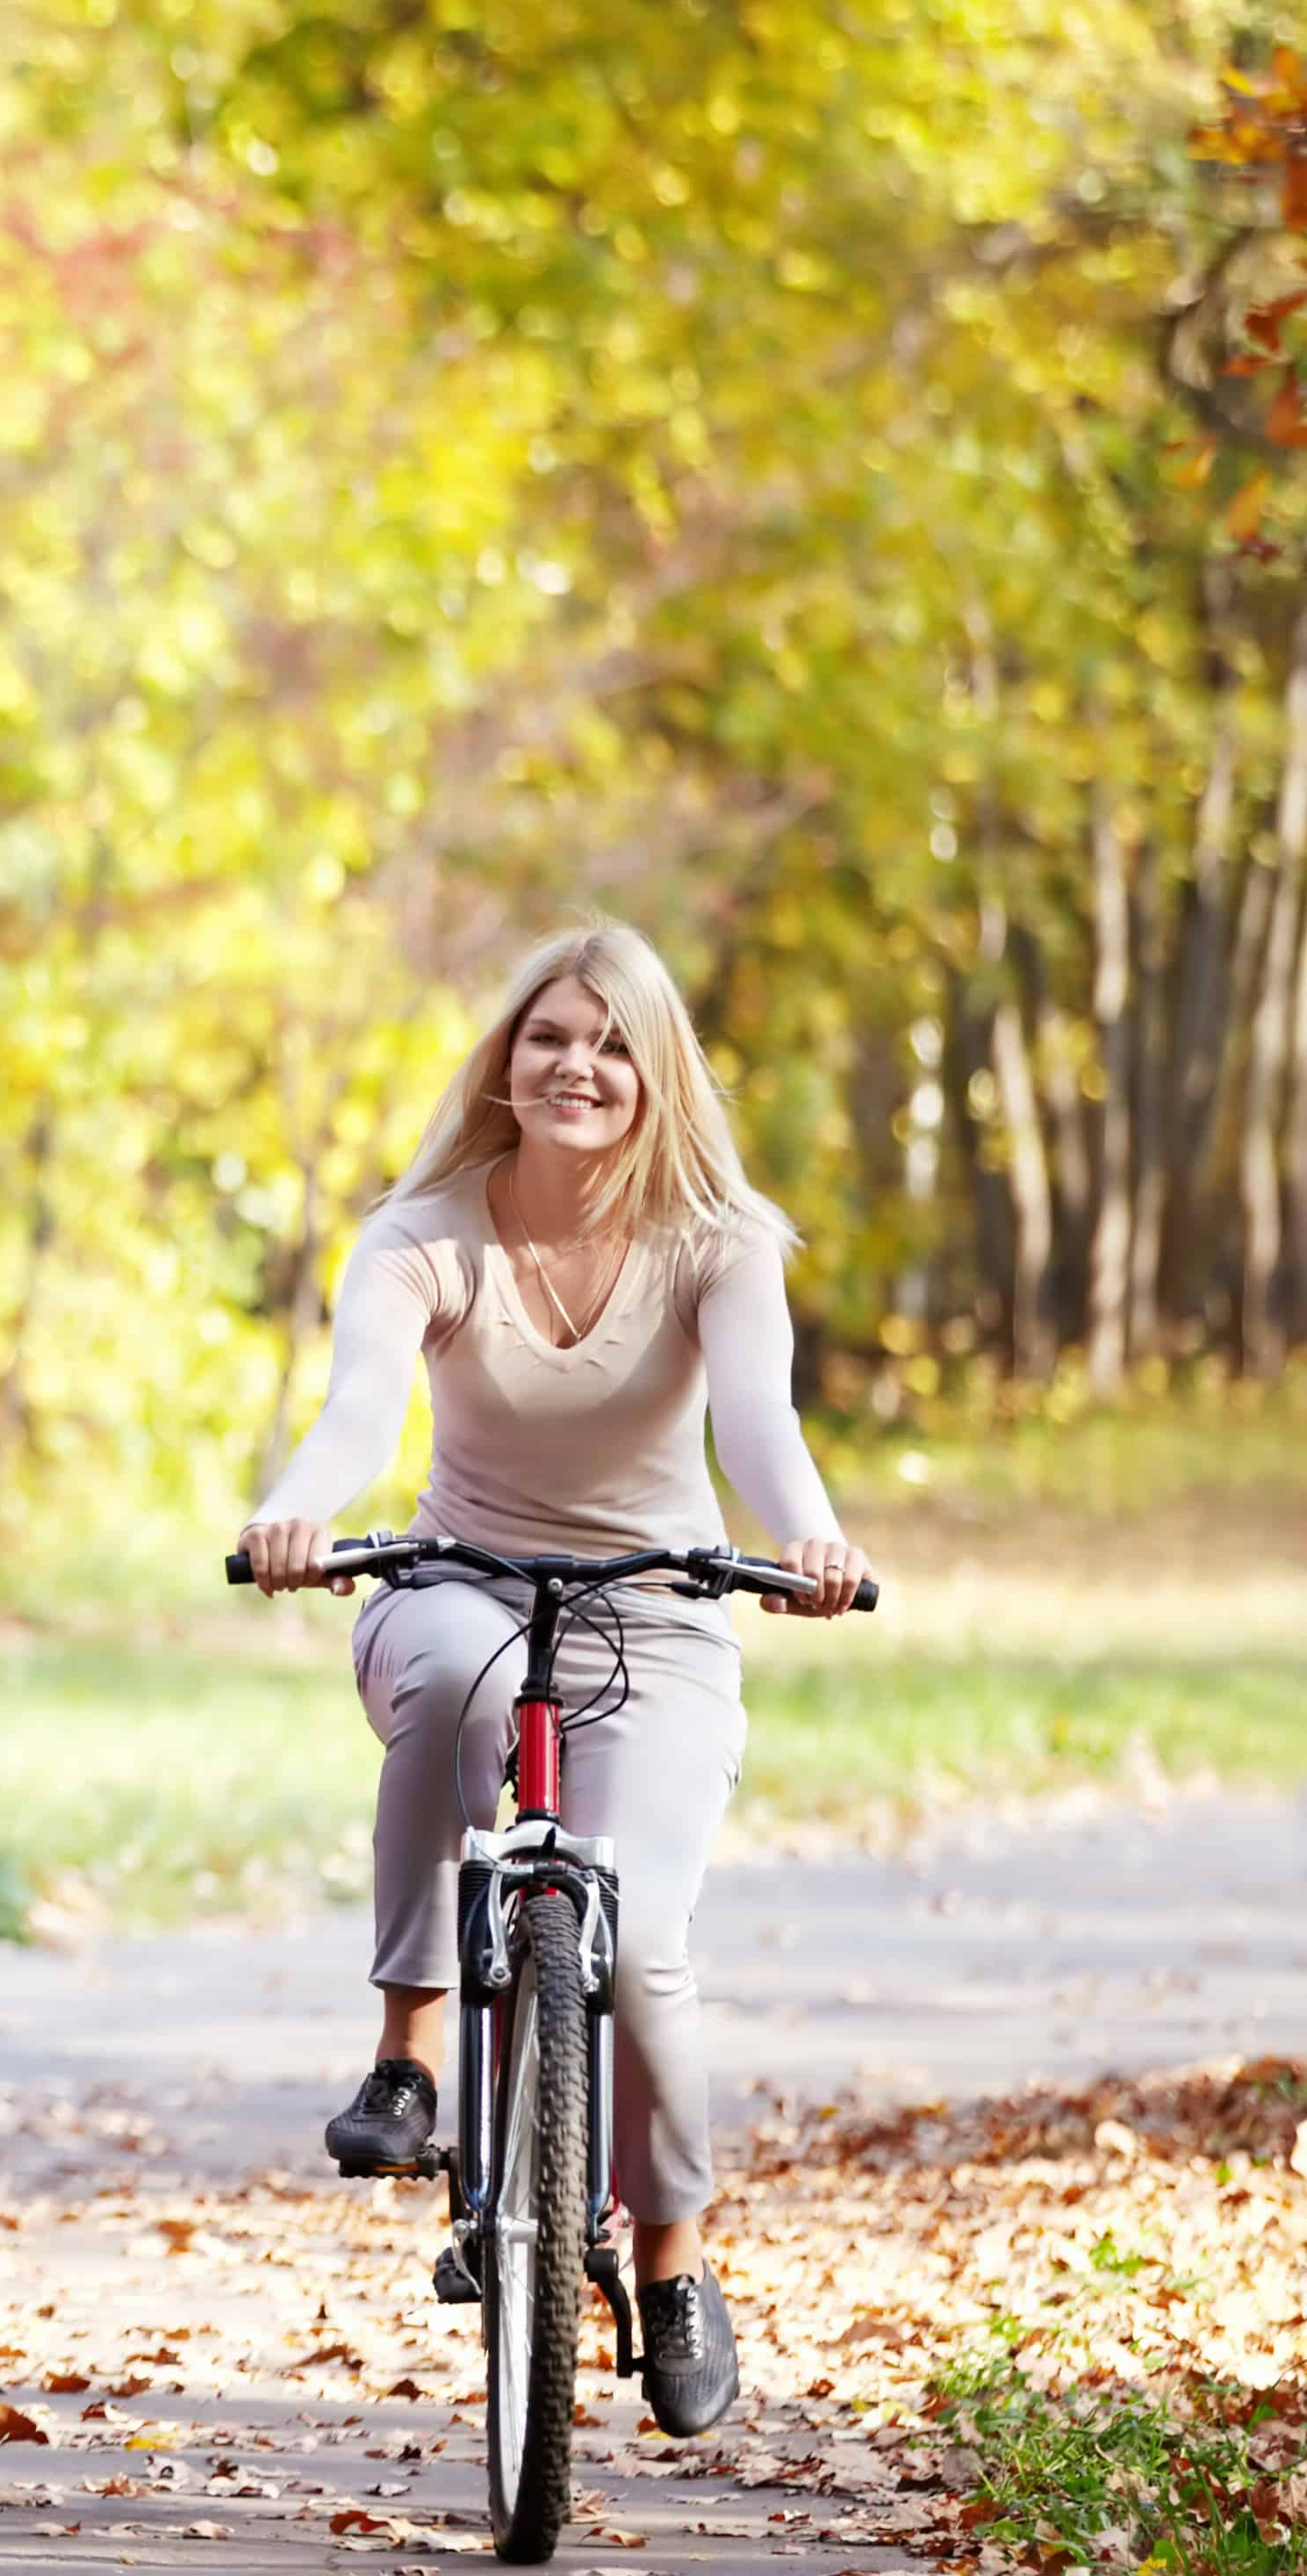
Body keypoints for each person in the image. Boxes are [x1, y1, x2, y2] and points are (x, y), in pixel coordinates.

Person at [238, 919, 867, 2442]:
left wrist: (810, 1536)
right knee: (453, 1679)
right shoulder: (422, 1234)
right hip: (456, 1585)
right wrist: (300, 1513)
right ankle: (408, 2057)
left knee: (641, 1929)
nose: (577, 1068)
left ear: (657, 1076)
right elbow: (359, 1409)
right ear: (505, 1062)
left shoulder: (722, 1240)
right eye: (548, 1039)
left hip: (659, 1618)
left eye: (612, 1045)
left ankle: (673, 2263)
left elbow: (758, 1424)